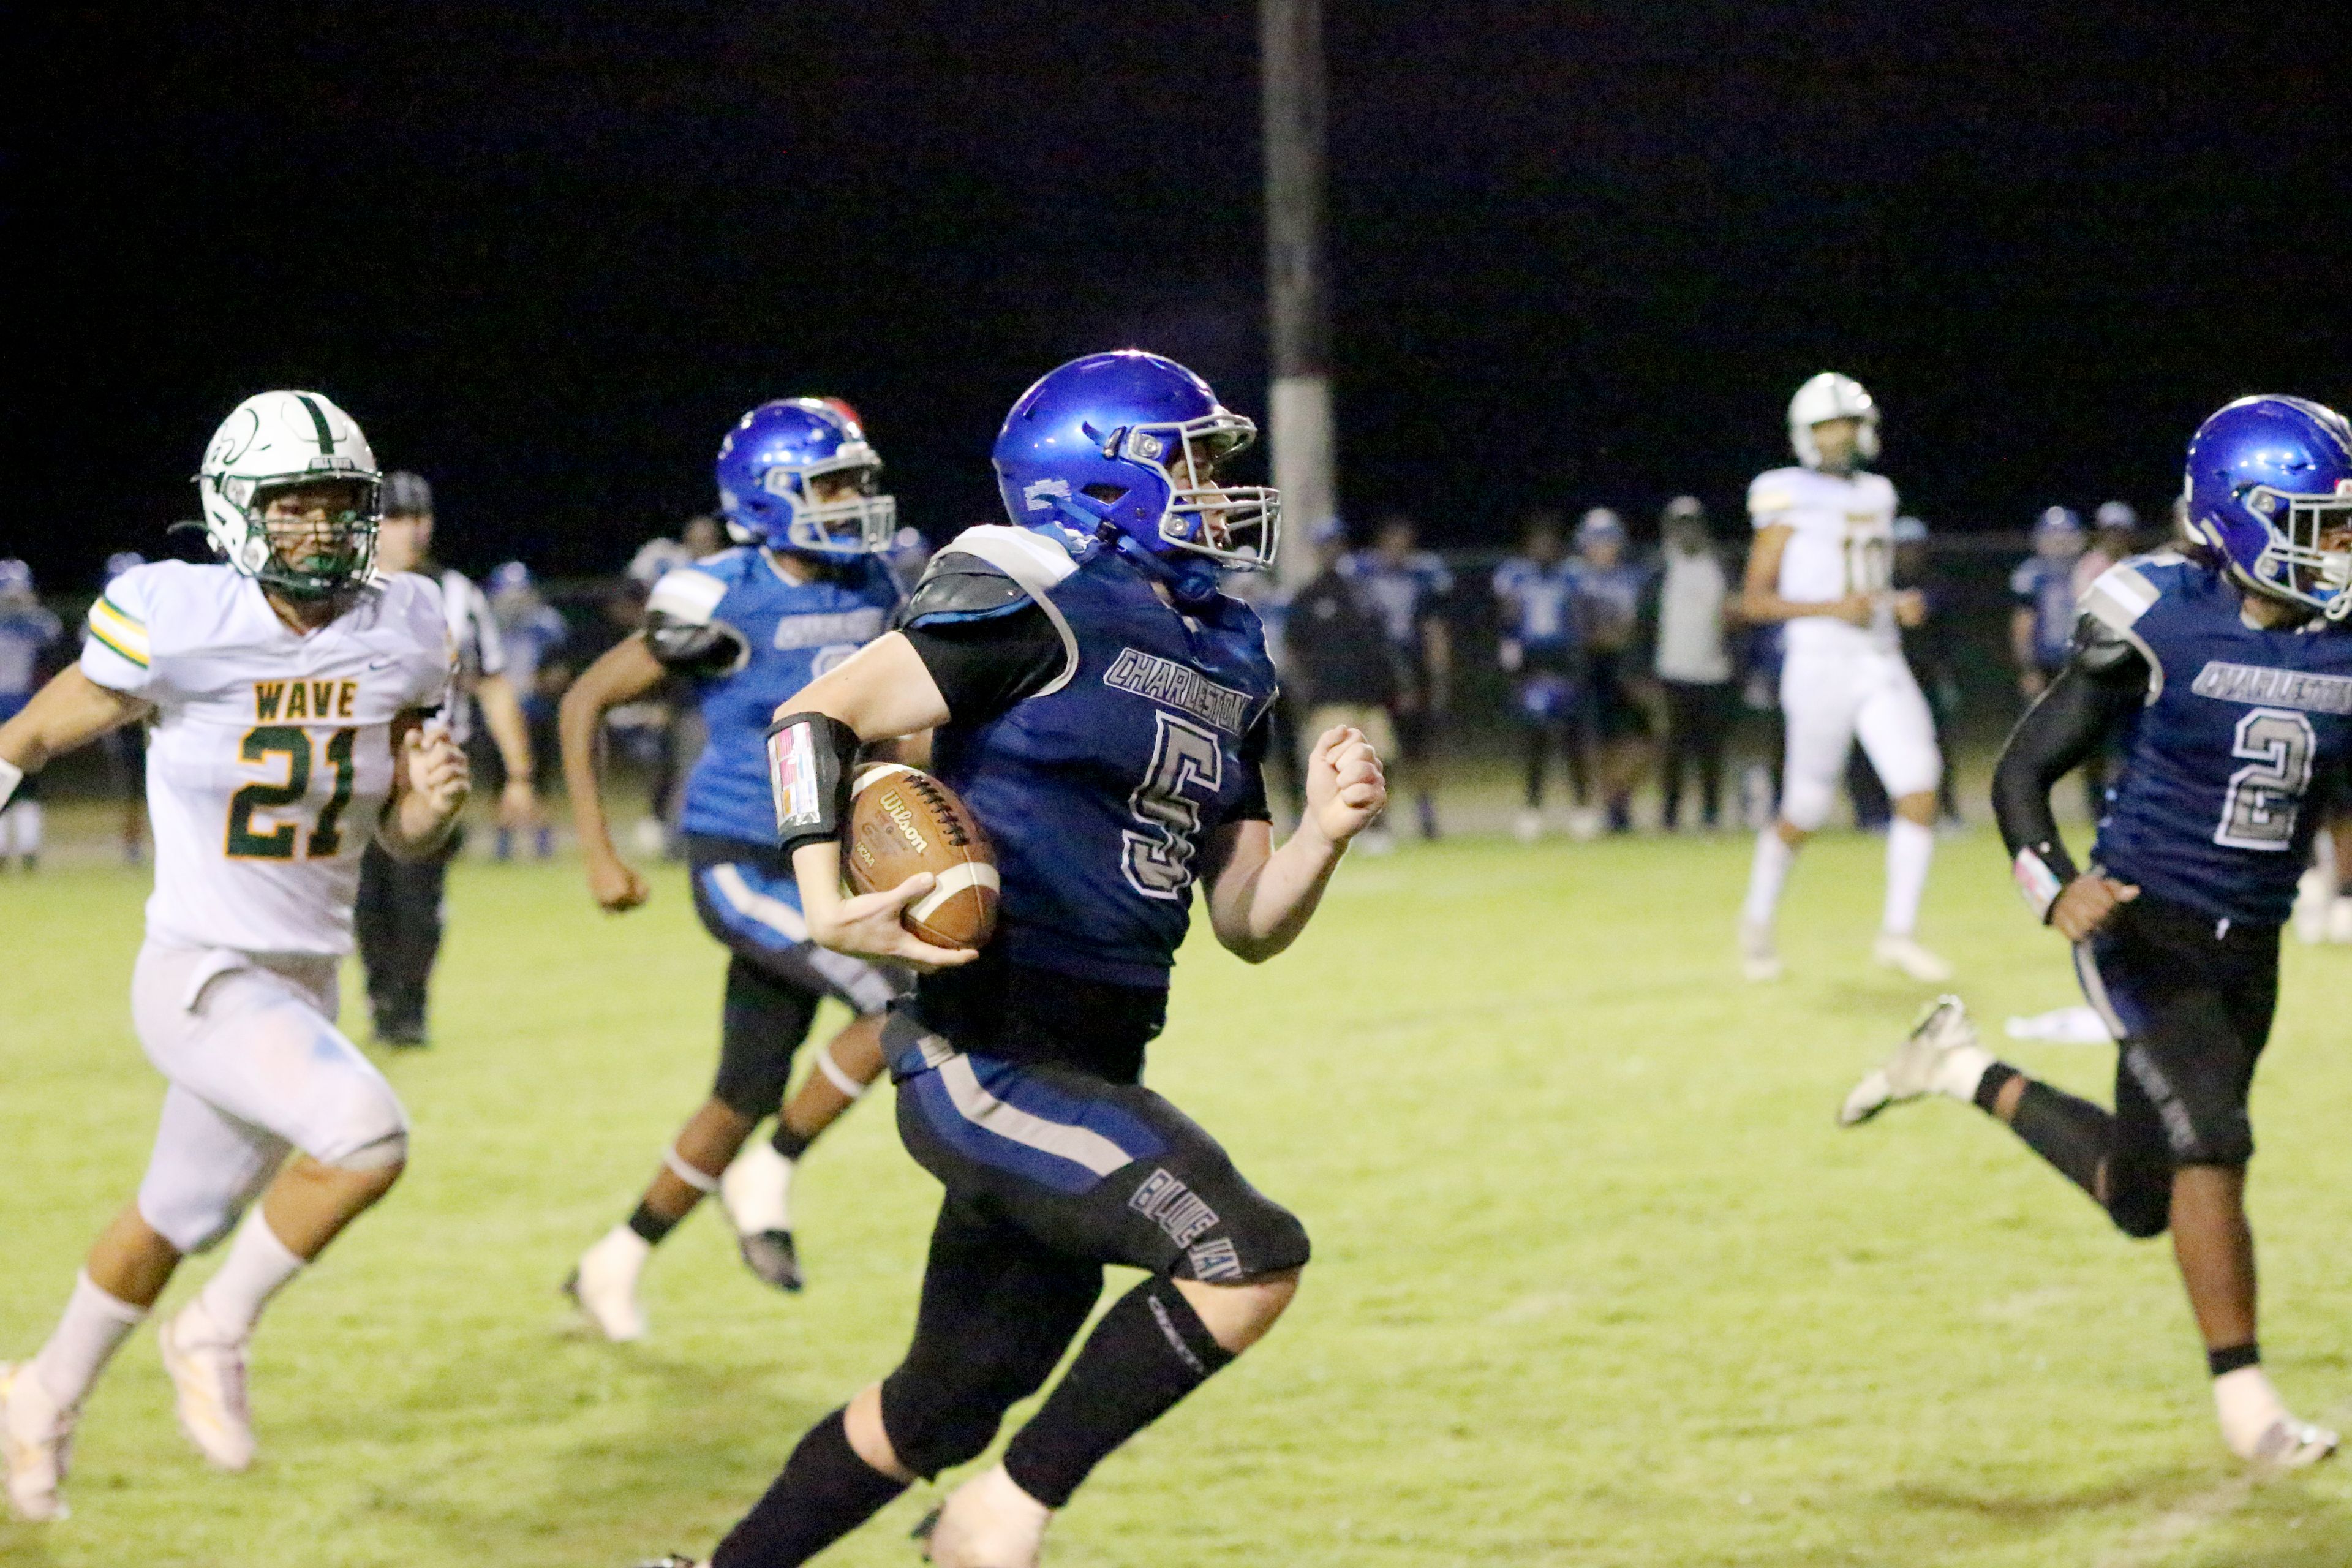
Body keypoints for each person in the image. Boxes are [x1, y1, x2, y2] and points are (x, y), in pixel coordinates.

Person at [635, 351, 1385, 1568]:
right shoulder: (1033, 585)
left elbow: (1245, 917)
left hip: (1098, 1060)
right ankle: (1001, 1509)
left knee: (947, 1397)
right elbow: (813, 715)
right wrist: (826, 897)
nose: (1217, 490)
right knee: (1244, 1253)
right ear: (1098, 481)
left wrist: (1320, 836)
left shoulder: (1231, 650)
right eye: (1190, 463)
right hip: (986, 1047)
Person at [1839, 393, 2352, 1469]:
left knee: (2141, 1194)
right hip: (2138, 922)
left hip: (2247, 939)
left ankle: (1960, 1066)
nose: (2344, 543)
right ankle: (2250, 1410)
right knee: (2214, 1135)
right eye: (2324, 522)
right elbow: (2024, 770)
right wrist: (2053, 888)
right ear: (2244, 517)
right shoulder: (2155, 614)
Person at [0, 391, 467, 1523]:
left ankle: (37, 1399)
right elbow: (26, 738)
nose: (318, 532)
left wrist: (432, 813)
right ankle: (214, 1332)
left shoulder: (407, 624)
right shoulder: (176, 614)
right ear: (234, 512)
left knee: (175, 1218)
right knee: (366, 1137)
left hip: (304, 979)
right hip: (202, 971)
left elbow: (401, 836)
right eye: (291, 508)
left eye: (337, 507)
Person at [562, 399, 909, 1332]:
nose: (851, 503)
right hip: (744, 858)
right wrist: (599, 851)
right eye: (828, 487)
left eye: (855, 484)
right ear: (767, 499)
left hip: (834, 859)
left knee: (743, 1091)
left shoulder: (875, 581)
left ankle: (614, 1259)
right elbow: (587, 700)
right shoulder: (719, 593)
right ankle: (774, 1167)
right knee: (900, 997)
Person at [1736, 372, 1950, 982]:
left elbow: (1865, 585)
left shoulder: (1880, 493)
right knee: (1804, 806)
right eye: (1829, 427)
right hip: (1819, 659)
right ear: (1806, 434)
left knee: (1918, 784)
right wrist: (1835, 608)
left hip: (1880, 656)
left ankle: (1898, 933)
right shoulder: (1784, 493)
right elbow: (1754, 600)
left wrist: (1894, 601)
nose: (1840, 437)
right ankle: (1757, 920)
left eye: (1848, 425)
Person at [352, 472, 538, 1045]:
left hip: (431, 769)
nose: (414, 529)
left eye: (421, 516)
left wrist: (520, 774)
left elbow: (493, 685)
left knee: (417, 896)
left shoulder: (457, 595)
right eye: (399, 517)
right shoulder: (344, 594)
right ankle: (382, 994)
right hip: (359, 768)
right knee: (365, 899)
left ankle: (408, 1010)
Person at [1283, 519, 1400, 847]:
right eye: (1325, 544)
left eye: (1335, 543)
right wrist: (1301, 689)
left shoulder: (1362, 593)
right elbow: (1294, 649)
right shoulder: (1307, 597)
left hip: (1368, 696)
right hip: (1329, 697)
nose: (1331, 550)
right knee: (1332, 770)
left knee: (1380, 762)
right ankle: (1332, 829)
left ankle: (1377, 828)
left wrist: (1390, 686)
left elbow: (1382, 645)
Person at [1341, 513, 1450, 839]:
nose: (1398, 548)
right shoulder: (1362, 575)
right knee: (1379, 749)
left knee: (1419, 748)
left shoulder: (1423, 576)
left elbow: (1435, 628)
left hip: (1414, 667)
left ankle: (1426, 812)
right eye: (1393, 540)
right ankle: (1380, 818)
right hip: (1377, 669)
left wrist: (1438, 673)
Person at [1493, 510, 1587, 842]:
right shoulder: (1516, 575)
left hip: (1562, 658)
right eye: (1538, 544)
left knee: (1572, 735)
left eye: (1549, 544)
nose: (1544, 550)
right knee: (1535, 737)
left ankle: (1582, 807)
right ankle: (1532, 809)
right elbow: (1507, 615)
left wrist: (1578, 656)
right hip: (1531, 660)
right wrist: (1510, 652)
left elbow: (1578, 616)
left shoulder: (1570, 575)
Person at [1651, 496, 1736, 832]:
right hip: (1671, 672)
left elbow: (1734, 618)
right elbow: (1646, 623)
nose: (1686, 533)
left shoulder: (1719, 566)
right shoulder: (1660, 567)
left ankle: (1711, 816)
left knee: (1711, 750)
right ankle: (1670, 817)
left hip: (1714, 672)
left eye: (1692, 525)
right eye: (1679, 525)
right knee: (1673, 751)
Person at [1570, 508, 1656, 834]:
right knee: (1604, 744)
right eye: (1595, 542)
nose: (1602, 548)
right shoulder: (1575, 578)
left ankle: (1619, 797)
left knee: (1648, 742)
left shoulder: (1635, 577)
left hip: (1631, 667)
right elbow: (1582, 629)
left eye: (1608, 541)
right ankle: (1614, 808)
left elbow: (1643, 626)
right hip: (1595, 669)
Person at [486, 560, 570, 860]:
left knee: (539, 782)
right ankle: (504, 845)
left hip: (536, 713)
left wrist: (541, 683)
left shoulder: (546, 624)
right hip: (500, 715)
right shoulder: (486, 625)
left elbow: (561, 670)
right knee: (501, 782)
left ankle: (542, 844)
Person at [0, 560, 65, 872]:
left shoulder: (33, 624)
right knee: (24, 785)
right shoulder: (35, 623)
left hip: (18, 711)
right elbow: (53, 632)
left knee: (13, 785)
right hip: (26, 712)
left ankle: (22, 851)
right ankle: (28, 851)